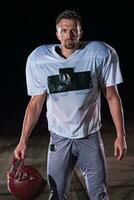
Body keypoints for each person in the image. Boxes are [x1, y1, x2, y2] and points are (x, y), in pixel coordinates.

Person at [13, 9, 127, 200]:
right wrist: (23, 140)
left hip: (89, 136)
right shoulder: (40, 60)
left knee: (100, 195)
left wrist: (120, 135)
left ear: (81, 32)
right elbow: (35, 104)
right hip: (59, 138)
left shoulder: (99, 54)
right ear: (57, 33)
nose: (69, 34)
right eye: (64, 30)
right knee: (56, 194)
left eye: (74, 30)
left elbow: (112, 97)